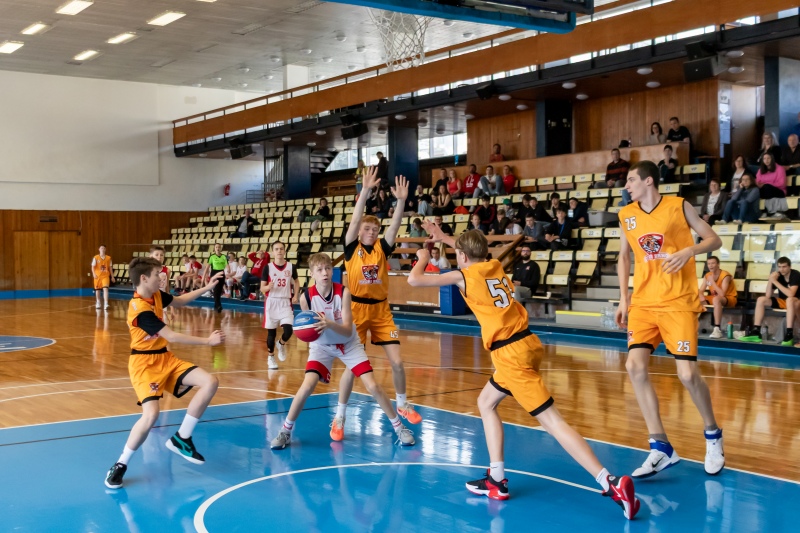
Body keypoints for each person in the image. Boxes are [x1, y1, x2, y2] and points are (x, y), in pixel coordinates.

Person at [410, 225, 639, 518]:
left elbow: (414, 280)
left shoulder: (462, 276)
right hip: (527, 343)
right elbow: (471, 250)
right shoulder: (493, 264)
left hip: (510, 355)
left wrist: (423, 256)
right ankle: (496, 480)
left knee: (553, 422)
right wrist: (444, 238)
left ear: (463, 256)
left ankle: (610, 483)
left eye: (458, 253)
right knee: (485, 402)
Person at [615, 160, 725, 479]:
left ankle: (713, 435)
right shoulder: (626, 215)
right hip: (643, 302)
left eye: (631, 180)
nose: (627, 186)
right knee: (634, 367)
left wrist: (689, 251)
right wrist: (624, 298)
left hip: (678, 300)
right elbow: (623, 256)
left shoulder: (679, 206)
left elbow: (714, 240)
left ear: (649, 181)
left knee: (687, 374)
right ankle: (660, 446)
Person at [270, 253, 415, 449]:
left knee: (373, 386)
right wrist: (305, 333)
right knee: (307, 386)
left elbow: (347, 330)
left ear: (333, 271)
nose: (324, 273)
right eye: (319, 270)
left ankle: (400, 428)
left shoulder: (343, 292)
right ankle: (285, 432)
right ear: (312, 274)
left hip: (348, 343)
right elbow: (308, 331)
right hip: (322, 346)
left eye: (328, 268)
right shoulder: (306, 298)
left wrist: (328, 323)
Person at [104, 258, 224, 490]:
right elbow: (172, 336)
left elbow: (179, 301)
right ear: (144, 278)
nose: (162, 277)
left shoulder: (157, 294)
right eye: (157, 274)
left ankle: (182, 438)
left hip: (165, 359)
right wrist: (208, 341)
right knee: (151, 415)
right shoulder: (139, 309)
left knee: (210, 381)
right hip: (144, 364)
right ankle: (120, 464)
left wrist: (207, 287)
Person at [335, 166, 422, 439]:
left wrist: (401, 201)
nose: (371, 232)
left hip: (381, 310)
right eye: (367, 228)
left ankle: (403, 403)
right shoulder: (352, 247)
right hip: (356, 311)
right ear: (360, 231)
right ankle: (339, 416)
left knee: (397, 362)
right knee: (352, 369)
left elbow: (394, 226)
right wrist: (365, 191)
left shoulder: (382, 248)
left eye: (375, 229)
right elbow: (355, 220)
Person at [736, 256, 800, 346]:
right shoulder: (778, 276)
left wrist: (775, 282)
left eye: (784, 267)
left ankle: (789, 334)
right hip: (784, 301)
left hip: (796, 302)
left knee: (789, 300)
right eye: (780, 267)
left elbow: (791, 294)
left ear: (790, 267)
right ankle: (756, 331)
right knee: (761, 299)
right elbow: (768, 295)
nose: (782, 269)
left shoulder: (795, 274)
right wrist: (771, 280)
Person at [261, 240, 299, 370]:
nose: (279, 251)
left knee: (289, 330)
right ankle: (271, 357)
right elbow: (262, 288)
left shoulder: (291, 267)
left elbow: (296, 282)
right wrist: (268, 287)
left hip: (285, 302)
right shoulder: (267, 267)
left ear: (284, 251)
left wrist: (296, 295)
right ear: (273, 252)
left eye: (281, 249)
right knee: (271, 333)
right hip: (272, 302)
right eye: (276, 249)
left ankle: (281, 344)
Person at [699, 256, 737, 339]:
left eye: (713, 263)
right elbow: (701, 290)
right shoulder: (707, 275)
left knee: (716, 299)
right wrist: (701, 296)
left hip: (728, 298)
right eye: (709, 264)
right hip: (714, 298)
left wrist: (712, 281)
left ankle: (717, 329)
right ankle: (693, 325)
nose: (710, 265)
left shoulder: (725, 275)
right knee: (693, 298)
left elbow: (722, 294)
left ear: (718, 264)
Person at [756, 153, 788, 219]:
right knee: (756, 190)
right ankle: (762, 212)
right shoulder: (760, 170)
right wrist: (763, 185)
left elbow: (782, 184)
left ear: (772, 159)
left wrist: (766, 184)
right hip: (765, 190)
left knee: (767, 187)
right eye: (764, 159)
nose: (766, 160)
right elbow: (758, 182)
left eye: (768, 158)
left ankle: (769, 211)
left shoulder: (780, 168)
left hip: (779, 191)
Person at [92, 245, 114, 310]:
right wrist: (94, 274)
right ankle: (98, 302)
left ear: (105, 249)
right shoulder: (96, 257)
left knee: (105, 289)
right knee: (98, 290)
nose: (103, 249)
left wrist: (112, 277)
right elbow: (92, 267)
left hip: (105, 276)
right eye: (101, 248)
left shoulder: (108, 258)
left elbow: (110, 268)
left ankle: (106, 303)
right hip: (98, 276)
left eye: (104, 248)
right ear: (99, 249)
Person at [207, 243, 227, 313]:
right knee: (216, 289)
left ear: (221, 248)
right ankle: (218, 305)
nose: (218, 248)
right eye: (216, 247)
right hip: (214, 273)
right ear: (214, 248)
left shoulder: (224, 256)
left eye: (219, 247)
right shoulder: (212, 257)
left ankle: (216, 305)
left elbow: (227, 265)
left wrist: (228, 271)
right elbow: (207, 267)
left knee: (219, 289)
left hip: (221, 272)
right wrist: (204, 276)